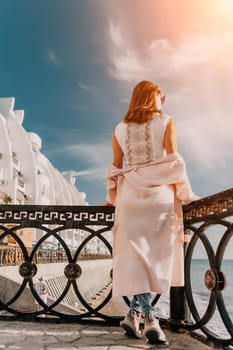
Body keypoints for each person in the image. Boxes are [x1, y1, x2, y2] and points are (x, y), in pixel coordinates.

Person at [102, 80, 199, 345]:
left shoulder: (119, 129)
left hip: (130, 199)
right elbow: (173, 160)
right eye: (161, 96)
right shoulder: (167, 121)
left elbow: (116, 166)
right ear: (151, 97)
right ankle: (151, 318)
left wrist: (111, 198)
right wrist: (186, 195)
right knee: (154, 258)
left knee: (135, 258)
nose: (162, 101)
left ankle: (132, 315)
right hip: (159, 199)